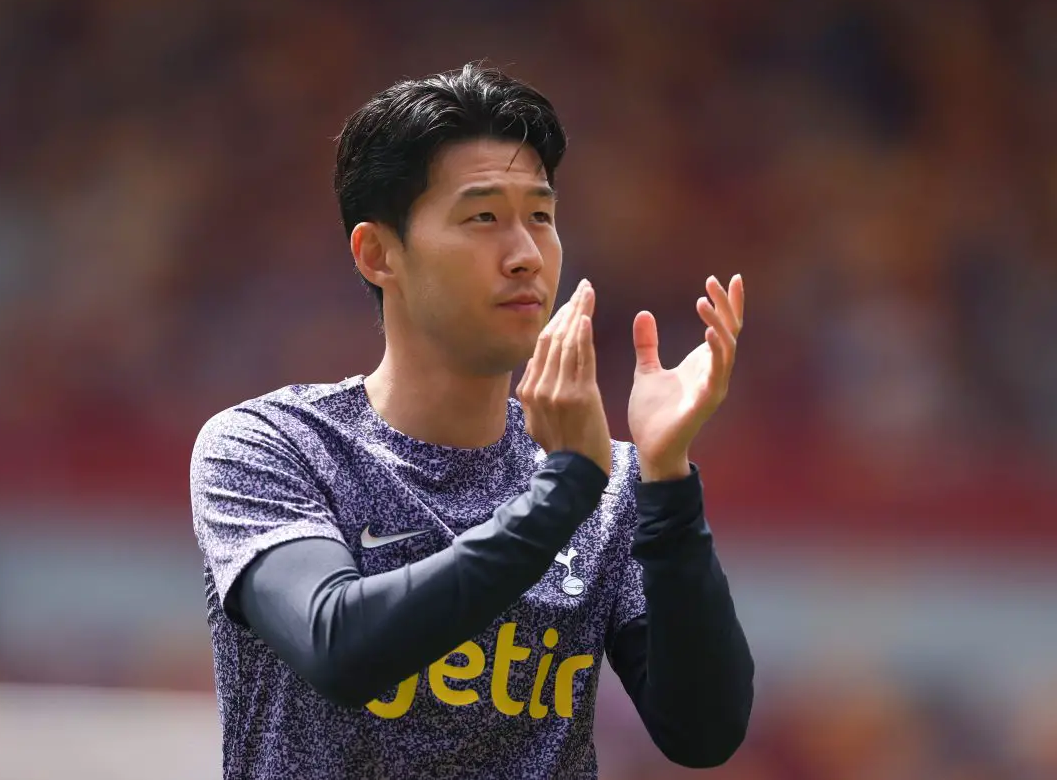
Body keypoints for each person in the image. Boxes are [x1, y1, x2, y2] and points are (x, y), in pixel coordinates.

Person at [190, 62, 754, 780]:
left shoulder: (608, 490)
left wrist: (668, 480)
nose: (525, 255)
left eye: (541, 217)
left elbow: (702, 733)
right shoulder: (274, 448)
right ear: (378, 253)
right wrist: (563, 492)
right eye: (483, 216)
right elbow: (340, 648)